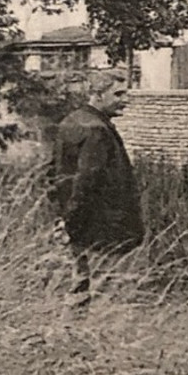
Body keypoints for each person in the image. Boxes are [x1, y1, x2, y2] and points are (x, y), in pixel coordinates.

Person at [50, 69, 144, 298]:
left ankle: (73, 331)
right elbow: (87, 182)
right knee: (104, 293)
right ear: (97, 94)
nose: (125, 100)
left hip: (77, 228)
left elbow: (54, 173)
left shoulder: (72, 121)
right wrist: (72, 221)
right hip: (101, 232)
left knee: (79, 290)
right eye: (119, 94)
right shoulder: (98, 130)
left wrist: (64, 219)